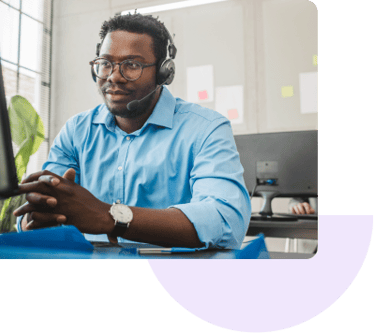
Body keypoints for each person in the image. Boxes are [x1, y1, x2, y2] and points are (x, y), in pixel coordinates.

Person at [13, 13, 251, 249]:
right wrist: (34, 218)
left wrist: (109, 216)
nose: (115, 76)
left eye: (132, 65)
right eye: (105, 63)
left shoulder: (206, 129)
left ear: (163, 72)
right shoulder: (77, 131)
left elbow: (224, 220)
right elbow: (48, 208)